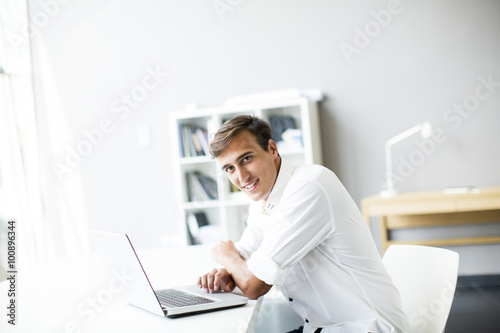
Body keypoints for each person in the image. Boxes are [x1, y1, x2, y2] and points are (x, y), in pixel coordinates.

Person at [197, 115, 409, 333]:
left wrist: (225, 257)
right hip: (322, 329)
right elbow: (245, 257)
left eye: (246, 159)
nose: (241, 177)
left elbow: (253, 285)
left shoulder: (309, 186)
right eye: (229, 168)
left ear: (271, 149)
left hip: (367, 328)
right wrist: (226, 271)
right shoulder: (263, 199)